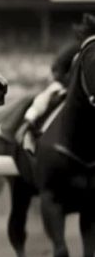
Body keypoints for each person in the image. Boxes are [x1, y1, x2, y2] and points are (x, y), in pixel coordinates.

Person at [14, 12, 95, 152]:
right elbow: (56, 69)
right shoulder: (75, 48)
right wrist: (68, 83)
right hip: (64, 85)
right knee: (44, 99)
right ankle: (27, 128)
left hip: (85, 92)